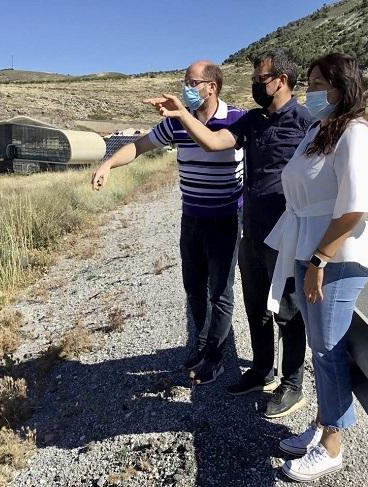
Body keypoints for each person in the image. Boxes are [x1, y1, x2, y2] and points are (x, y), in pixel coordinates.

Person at [145, 50, 314, 418]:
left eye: (260, 79)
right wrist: (181, 115)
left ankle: (292, 383)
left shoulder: (306, 123)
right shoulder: (252, 121)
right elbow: (213, 141)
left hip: (286, 235)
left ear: (280, 81)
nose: (255, 84)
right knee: (256, 308)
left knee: (288, 311)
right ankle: (261, 369)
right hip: (252, 232)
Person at [264, 53, 368, 482]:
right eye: (310, 83)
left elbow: (357, 208)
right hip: (309, 252)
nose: (310, 91)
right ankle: (320, 425)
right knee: (320, 348)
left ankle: (332, 445)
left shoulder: (355, 133)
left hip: (336, 259)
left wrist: (319, 259)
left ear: (340, 87)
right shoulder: (318, 130)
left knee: (329, 352)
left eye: (317, 83)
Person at [92, 60, 245, 385]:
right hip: (191, 217)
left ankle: (216, 358)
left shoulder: (237, 118)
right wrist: (108, 163)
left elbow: (212, 142)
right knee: (194, 289)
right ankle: (202, 346)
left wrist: (182, 115)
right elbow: (140, 145)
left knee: (219, 291)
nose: (185, 89)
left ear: (212, 87)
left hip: (226, 218)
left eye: (192, 83)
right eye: (184, 83)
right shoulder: (176, 124)